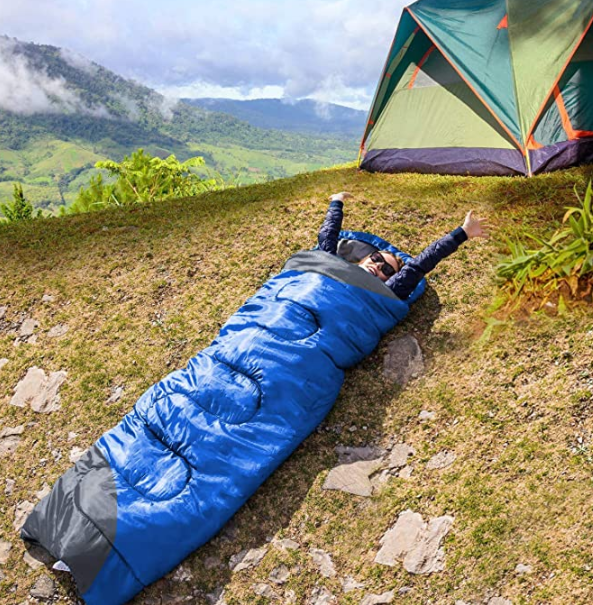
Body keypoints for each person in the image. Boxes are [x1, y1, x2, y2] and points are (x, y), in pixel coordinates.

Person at [318, 191, 489, 299]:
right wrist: (337, 201)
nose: (378, 265)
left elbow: (420, 263)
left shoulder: (384, 293)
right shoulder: (332, 266)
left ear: (390, 279)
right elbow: (327, 236)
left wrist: (463, 233)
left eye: (386, 270)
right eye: (376, 258)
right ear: (363, 259)